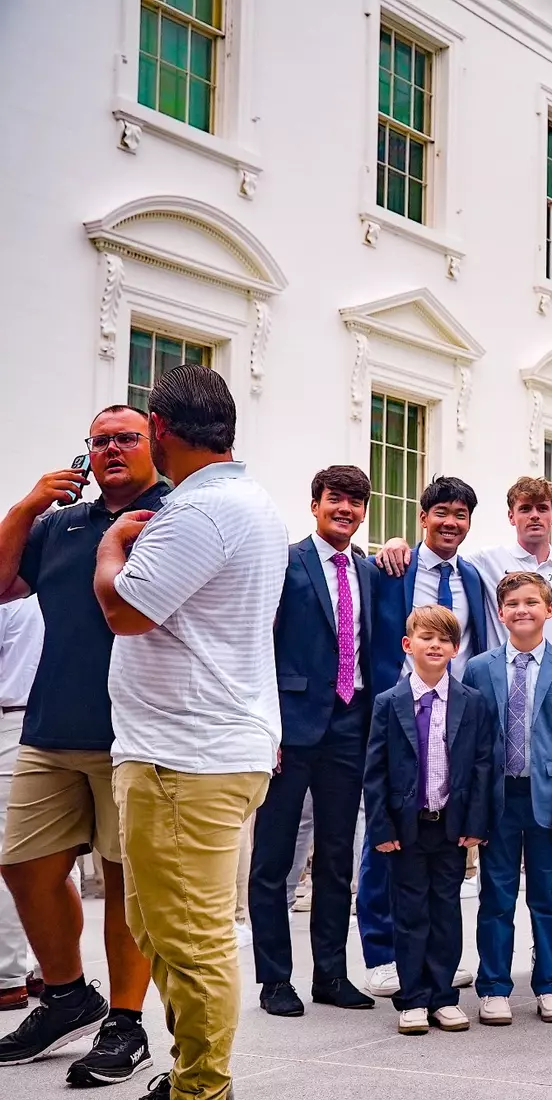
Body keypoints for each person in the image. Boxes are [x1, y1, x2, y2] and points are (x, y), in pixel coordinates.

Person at [91, 364, 287, 1100]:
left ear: (159, 430)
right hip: (188, 749)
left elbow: (127, 610)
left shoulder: (201, 512)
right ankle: (190, 1075)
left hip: (186, 758)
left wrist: (111, 545)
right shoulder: (246, 501)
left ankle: (203, 1089)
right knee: (159, 926)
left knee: (194, 939)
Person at [0, 406, 166, 1085]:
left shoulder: (175, 516)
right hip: (52, 726)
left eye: (126, 437)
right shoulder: (61, 524)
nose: (111, 449)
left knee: (129, 886)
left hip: (135, 731)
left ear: (155, 443)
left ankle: (125, 1025)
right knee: (23, 864)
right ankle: (68, 995)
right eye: (99, 441)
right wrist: (29, 504)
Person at [251, 466, 378, 1019]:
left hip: (350, 727)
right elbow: (259, 641)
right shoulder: (287, 561)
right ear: (315, 504)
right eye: (335, 500)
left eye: (354, 501)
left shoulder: (369, 571)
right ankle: (275, 979)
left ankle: (330, 973)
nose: (344, 509)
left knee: (336, 858)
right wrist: (265, 727)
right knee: (273, 858)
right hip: (292, 727)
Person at [360, 476, 490, 999]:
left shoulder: (474, 580)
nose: (450, 522)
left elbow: (477, 641)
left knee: (439, 854)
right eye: (441, 513)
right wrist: (388, 546)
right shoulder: (394, 567)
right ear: (422, 517)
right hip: (395, 714)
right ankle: (382, 951)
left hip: (449, 718)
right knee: (385, 837)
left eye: (460, 514)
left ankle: (435, 956)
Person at [463, 572, 552, 1026]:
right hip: (499, 799)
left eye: (532, 602)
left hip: (547, 798)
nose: (522, 609)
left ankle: (551, 983)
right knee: (495, 895)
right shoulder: (480, 667)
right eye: (512, 603)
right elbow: (473, 745)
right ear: (500, 613)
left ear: (549, 610)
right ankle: (494, 986)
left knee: (548, 896)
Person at [363, 606, 495, 1036]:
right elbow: (376, 771)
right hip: (407, 828)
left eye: (444, 639)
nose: (434, 645)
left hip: (450, 826)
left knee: (446, 909)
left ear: (455, 649)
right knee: (409, 911)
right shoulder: (389, 702)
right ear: (408, 645)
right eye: (425, 637)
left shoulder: (471, 703)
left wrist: (475, 824)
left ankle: (443, 996)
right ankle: (413, 998)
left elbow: (480, 766)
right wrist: (381, 828)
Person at [389, 477, 552, 651]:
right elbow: (441, 556)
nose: (534, 516)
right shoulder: (485, 561)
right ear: (511, 516)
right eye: (525, 509)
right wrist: (397, 543)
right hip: (500, 680)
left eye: (542, 508)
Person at [0, 599, 43, 1010]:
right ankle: (47, 970)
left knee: (9, 854)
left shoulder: (10, 592)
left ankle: (6, 975)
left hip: (10, 718)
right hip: (43, 717)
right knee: (48, 854)